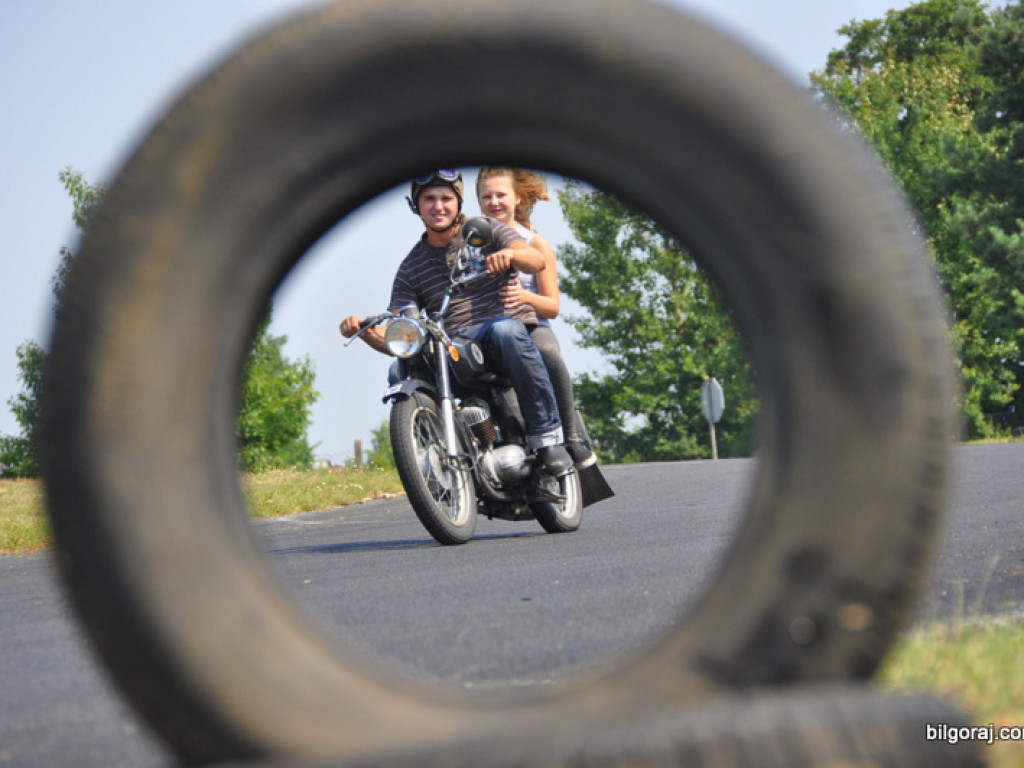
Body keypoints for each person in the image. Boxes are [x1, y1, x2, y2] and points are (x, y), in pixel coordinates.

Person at [339, 169, 573, 476]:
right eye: (429, 199)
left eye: (446, 199)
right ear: (416, 206)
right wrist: (364, 331)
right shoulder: (411, 267)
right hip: (454, 344)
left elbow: (535, 260)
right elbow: (399, 330)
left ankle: (547, 440)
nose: (438, 206)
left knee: (506, 330)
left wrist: (510, 255)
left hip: (499, 329)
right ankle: (439, 452)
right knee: (402, 367)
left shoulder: (485, 230)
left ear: (458, 204)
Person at [476, 167, 595, 468]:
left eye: (500, 195)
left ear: (517, 198)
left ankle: (571, 436)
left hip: (532, 324)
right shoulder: (471, 244)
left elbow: (552, 306)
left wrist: (525, 298)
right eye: (486, 196)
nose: (494, 202)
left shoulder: (534, 242)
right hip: (489, 330)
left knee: (546, 350)